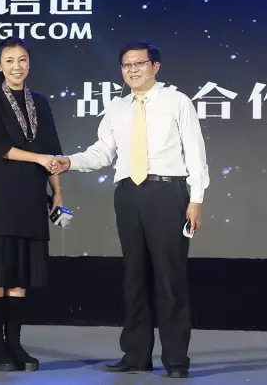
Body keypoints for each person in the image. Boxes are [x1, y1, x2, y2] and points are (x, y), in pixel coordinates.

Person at [50, 41, 209, 379]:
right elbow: (102, 152)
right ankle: (136, 355)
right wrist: (69, 162)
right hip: (127, 194)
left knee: (169, 277)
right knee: (134, 275)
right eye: (126, 65)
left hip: (167, 192)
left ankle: (176, 360)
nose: (132, 70)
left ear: (155, 66)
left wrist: (196, 199)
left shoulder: (177, 101)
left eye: (139, 63)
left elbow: (195, 153)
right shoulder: (117, 108)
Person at [0, 37, 63, 372]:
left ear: (29, 63)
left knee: (19, 275)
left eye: (22, 59)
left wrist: (58, 193)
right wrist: (39, 158)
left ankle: (14, 344)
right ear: (0, 66)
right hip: (3, 195)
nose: (16, 66)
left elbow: (54, 151)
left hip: (32, 196)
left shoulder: (41, 102)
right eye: (9, 60)